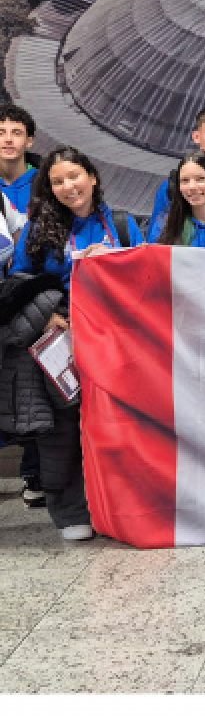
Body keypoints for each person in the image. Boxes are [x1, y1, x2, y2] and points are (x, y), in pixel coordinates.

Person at [10, 147, 145, 541]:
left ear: (92, 177)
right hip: (61, 340)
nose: (68, 187)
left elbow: (144, 276)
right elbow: (19, 283)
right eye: (57, 182)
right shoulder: (38, 231)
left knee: (116, 422)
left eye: (74, 176)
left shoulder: (120, 224)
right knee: (63, 428)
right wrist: (48, 314)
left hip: (115, 340)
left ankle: (118, 502)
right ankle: (69, 507)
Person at [0, 105, 43, 507]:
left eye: (17, 132)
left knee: (28, 389)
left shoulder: (44, 184)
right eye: (2, 131)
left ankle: (33, 474)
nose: (9, 139)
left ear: (30, 140)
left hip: (25, 299)